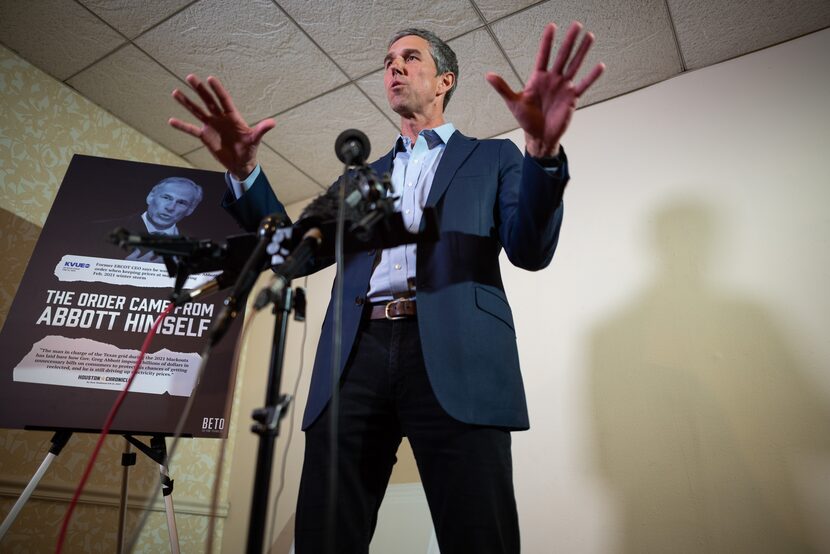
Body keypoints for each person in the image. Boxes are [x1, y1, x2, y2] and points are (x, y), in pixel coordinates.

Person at [169, 21, 603, 553]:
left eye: (410, 57)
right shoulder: (359, 179)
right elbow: (289, 256)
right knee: (328, 534)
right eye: (387, 60)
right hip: (355, 357)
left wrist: (540, 154)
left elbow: (530, 251)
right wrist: (246, 172)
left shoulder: (492, 158)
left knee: (478, 534)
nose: (393, 66)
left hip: (456, 354)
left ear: (445, 80)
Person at [124, 177, 203, 262]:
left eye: (181, 203)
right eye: (166, 197)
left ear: (190, 209)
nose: (170, 207)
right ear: (151, 197)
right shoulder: (109, 229)